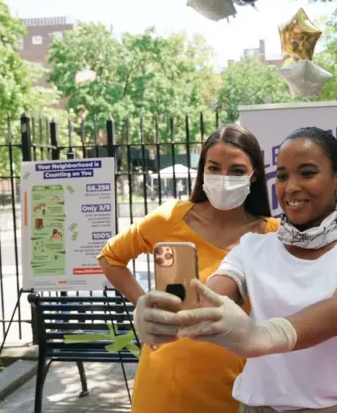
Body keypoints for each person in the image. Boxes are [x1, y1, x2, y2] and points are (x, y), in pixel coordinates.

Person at [176, 127, 337, 412]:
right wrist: (170, 313)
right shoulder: (252, 247)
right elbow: (213, 296)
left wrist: (261, 337)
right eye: (282, 176)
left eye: (307, 173)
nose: (291, 187)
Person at [97, 124, 279, 413]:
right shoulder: (169, 219)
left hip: (239, 386)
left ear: (254, 174)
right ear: (202, 170)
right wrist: (145, 304)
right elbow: (110, 257)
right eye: (214, 167)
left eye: (236, 170)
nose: (223, 178)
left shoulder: (273, 235)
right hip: (166, 382)